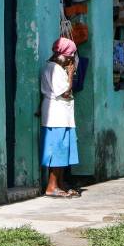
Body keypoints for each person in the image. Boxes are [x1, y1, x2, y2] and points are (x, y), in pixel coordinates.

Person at [41, 38, 80, 198]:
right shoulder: (54, 69)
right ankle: (51, 186)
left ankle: (60, 183)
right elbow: (64, 92)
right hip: (56, 116)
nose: (71, 59)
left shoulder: (56, 68)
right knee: (57, 151)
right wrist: (71, 74)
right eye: (70, 56)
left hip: (63, 116)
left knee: (63, 151)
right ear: (62, 55)